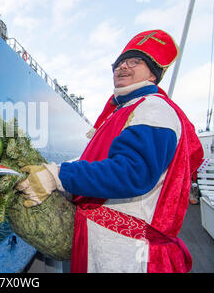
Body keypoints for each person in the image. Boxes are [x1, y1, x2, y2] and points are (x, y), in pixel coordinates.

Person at [16, 30, 204, 273]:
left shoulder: (154, 110)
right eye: (120, 62)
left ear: (153, 72)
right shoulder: (126, 110)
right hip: (108, 247)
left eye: (135, 61)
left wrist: (57, 177)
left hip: (128, 256)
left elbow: (132, 173)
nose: (123, 66)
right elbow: (96, 160)